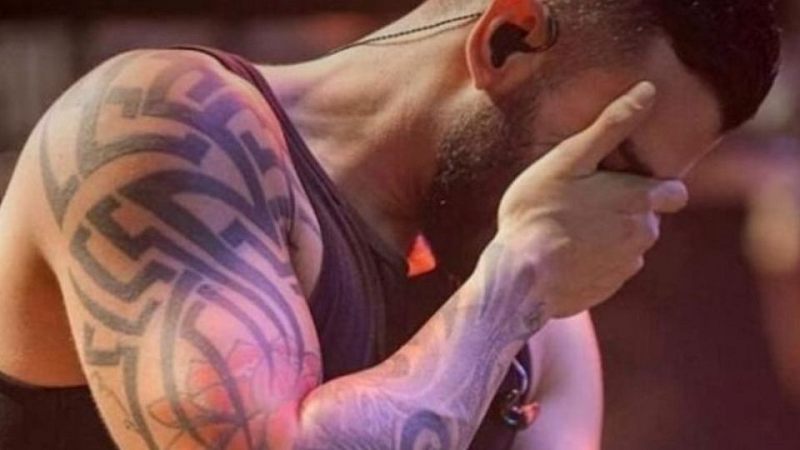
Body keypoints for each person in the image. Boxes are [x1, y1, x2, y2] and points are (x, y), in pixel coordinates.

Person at [0, 0, 779, 448]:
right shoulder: (172, 128)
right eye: (611, 157)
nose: (611, 210)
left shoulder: (536, 306)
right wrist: (512, 288)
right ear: (507, 41)